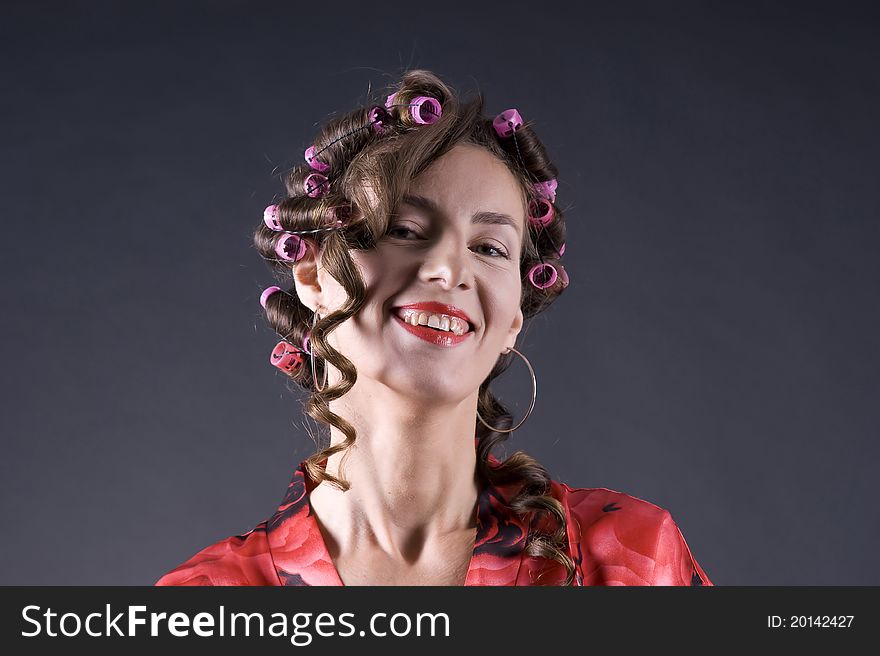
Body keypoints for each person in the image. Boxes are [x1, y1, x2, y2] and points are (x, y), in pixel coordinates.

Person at [155, 70, 713, 587]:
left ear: (514, 314)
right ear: (311, 272)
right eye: (404, 228)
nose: (450, 269)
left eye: (490, 248)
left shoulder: (630, 558)